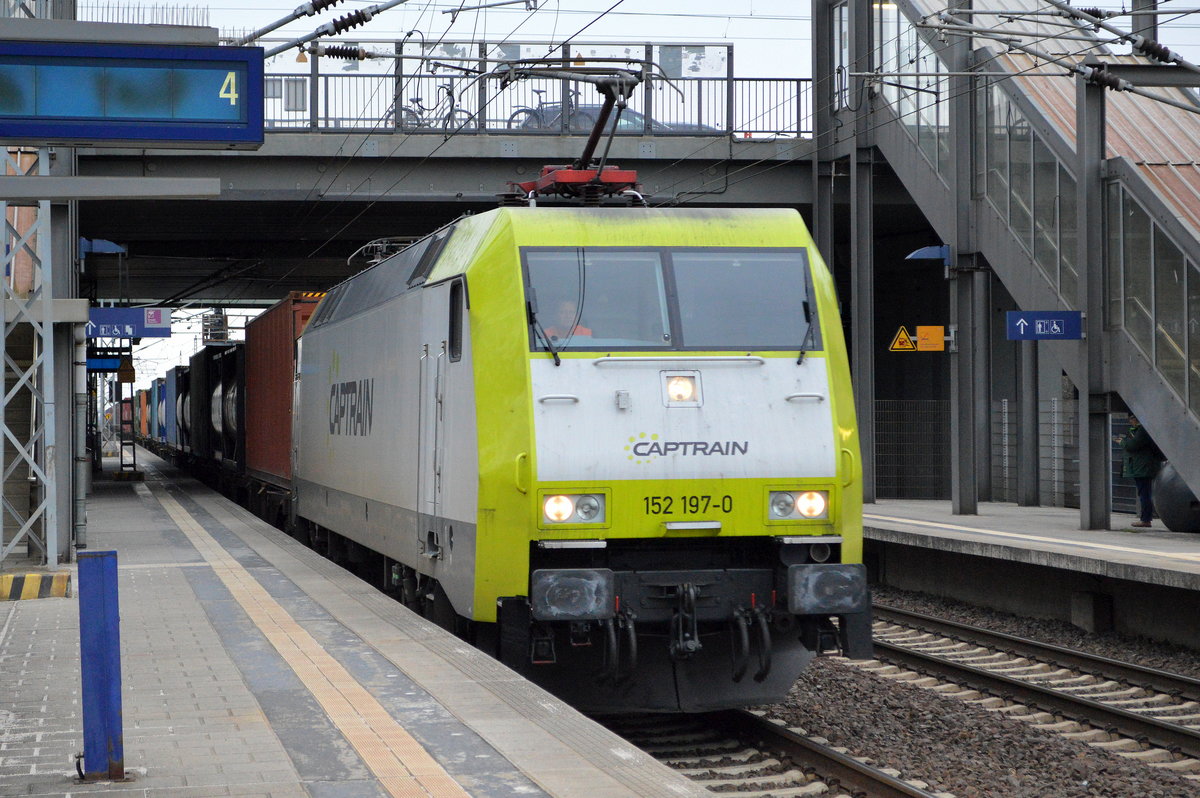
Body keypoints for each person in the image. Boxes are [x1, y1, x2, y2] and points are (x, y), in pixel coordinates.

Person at [1117, 414, 1164, 528]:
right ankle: (1146, 518)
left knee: (1144, 494)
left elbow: (1132, 445)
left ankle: (1146, 519)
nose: (1130, 422)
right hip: (1143, 466)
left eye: (1131, 419)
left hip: (1143, 467)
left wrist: (1122, 442)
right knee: (1144, 493)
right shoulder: (1141, 429)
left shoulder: (1143, 430)